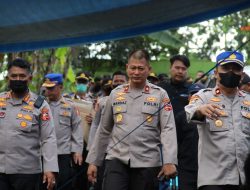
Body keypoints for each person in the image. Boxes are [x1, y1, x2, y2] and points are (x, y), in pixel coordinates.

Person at [86, 49, 177, 190]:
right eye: (133, 68)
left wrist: (169, 161)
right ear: (127, 67)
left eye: (141, 68)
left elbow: (168, 128)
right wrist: (94, 161)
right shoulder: (115, 94)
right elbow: (104, 129)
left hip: (148, 162)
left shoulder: (160, 95)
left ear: (148, 69)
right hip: (116, 159)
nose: (136, 72)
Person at [185, 51, 250, 190]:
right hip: (214, 180)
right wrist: (200, 110)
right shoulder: (203, 97)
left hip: (244, 179)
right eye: (226, 68)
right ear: (215, 73)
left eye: (236, 69)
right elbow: (189, 113)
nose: (231, 72)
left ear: (242, 74)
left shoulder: (248, 100)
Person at [0, 58, 58, 190]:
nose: (18, 79)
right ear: (8, 78)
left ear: (30, 78)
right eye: (14, 76)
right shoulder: (0, 100)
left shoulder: (40, 105)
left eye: (22, 76)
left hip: (27, 173)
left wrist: (50, 168)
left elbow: (48, 138)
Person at [42, 73, 83, 190]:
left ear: (60, 87)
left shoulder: (70, 106)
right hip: (44, 154)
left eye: (51, 88)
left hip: (63, 154)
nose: (48, 91)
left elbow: (77, 129)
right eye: (46, 87)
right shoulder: (40, 106)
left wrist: (77, 150)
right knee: (45, 185)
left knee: (64, 184)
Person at [175, 83, 204, 190]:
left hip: (208, 169)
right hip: (186, 168)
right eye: (193, 94)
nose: (195, 97)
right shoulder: (180, 116)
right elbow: (175, 141)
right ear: (188, 97)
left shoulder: (212, 113)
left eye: (199, 94)